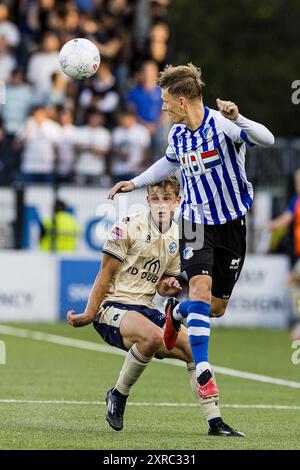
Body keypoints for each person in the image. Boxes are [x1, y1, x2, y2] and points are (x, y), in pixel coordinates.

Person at [108, 63, 275, 405]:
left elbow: (267, 139)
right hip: (195, 222)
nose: (163, 108)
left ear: (183, 101)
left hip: (232, 224)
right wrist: (135, 182)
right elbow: (168, 163)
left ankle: (175, 314)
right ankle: (203, 370)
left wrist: (239, 118)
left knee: (215, 307)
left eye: (166, 101)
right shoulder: (178, 135)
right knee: (200, 288)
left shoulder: (223, 126)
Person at [67, 176, 244, 437]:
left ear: (177, 202)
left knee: (193, 346)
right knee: (151, 337)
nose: (161, 205)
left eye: (167, 199)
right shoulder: (127, 227)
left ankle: (215, 422)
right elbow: (104, 274)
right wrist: (90, 312)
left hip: (146, 308)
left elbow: (161, 283)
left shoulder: (180, 235)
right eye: (156, 199)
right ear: (148, 200)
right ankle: (118, 395)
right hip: (113, 307)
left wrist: (168, 286)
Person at [263, 168, 300, 264]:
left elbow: (285, 220)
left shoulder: (296, 201)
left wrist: (269, 225)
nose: (297, 186)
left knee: (293, 278)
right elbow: (285, 219)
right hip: (298, 248)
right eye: (296, 182)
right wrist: (271, 225)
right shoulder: (296, 201)